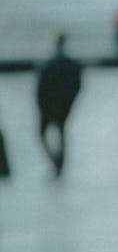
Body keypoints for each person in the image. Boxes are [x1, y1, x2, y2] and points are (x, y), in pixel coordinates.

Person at [36, 33, 82, 176]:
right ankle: (60, 163)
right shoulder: (72, 64)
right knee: (62, 134)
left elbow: (40, 88)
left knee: (42, 134)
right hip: (63, 105)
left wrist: (41, 106)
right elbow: (78, 85)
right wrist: (70, 102)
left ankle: (55, 162)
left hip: (48, 105)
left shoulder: (48, 64)